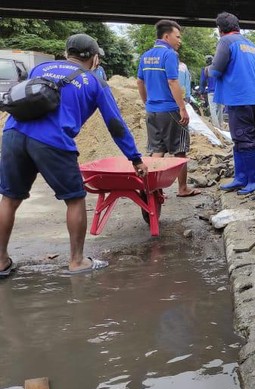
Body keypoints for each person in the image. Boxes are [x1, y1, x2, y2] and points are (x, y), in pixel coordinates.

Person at [0, 33, 148, 276]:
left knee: (10, 198)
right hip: (53, 141)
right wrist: (135, 158)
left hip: (13, 134)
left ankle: (1, 261)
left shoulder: (40, 68)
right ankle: (77, 261)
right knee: (75, 199)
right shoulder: (94, 82)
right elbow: (115, 124)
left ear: (67, 52)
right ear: (95, 58)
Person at [136, 19, 200, 197]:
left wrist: (146, 102)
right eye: (177, 37)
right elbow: (172, 81)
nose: (180, 41)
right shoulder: (170, 55)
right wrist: (182, 108)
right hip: (170, 110)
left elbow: (140, 82)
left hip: (152, 111)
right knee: (180, 150)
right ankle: (182, 188)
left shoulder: (146, 55)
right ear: (166, 36)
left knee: (157, 151)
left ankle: (151, 188)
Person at [207, 12, 255, 195]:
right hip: (254, 99)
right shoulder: (249, 44)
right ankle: (241, 178)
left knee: (244, 141)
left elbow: (215, 71)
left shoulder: (226, 42)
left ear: (220, 29)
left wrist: (207, 70)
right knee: (242, 141)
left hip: (239, 100)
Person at [199, 55, 224, 129]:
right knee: (220, 108)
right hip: (220, 91)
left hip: (211, 92)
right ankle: (221, 125)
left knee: (213, 109)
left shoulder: (205, 69)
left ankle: (216, 126)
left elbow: (202, 82)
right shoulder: (219, 68)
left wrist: (202, 91)